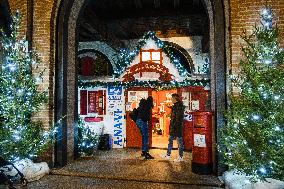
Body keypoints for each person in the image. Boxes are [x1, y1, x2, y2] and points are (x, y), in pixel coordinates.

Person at [161, 93, 185, 162]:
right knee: (170, 141)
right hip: (174, 128)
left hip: (177, 128)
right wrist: (169, 106)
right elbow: (173, 108)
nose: (171, 99)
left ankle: (180, 157)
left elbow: (178, 119)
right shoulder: (176, 106)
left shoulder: (179, 107)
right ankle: (168, 155)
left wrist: (174, 128)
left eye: (172, 98)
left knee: (179, 143)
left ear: (175, 99)